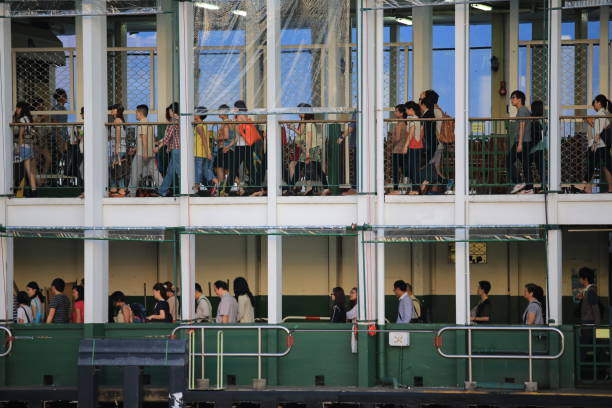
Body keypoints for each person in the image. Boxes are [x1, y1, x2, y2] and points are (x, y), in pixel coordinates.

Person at [289, 103, 330, 195]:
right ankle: (326, 187)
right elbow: (301, 133)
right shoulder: (308, 122)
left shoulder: (309, 123)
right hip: (313, 148)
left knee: (300, 168)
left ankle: (292, 187)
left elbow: (309, 137)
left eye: (300, 111)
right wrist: (292, 128)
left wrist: (307, 152)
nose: (298, 113)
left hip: (311, 149)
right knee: (316, 168)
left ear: (305, 112)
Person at [582, 95, 612, 193]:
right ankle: (584, 186)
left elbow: (598, 132)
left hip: (600, 145)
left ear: (599, 103)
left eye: (594, 102)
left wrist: (594, 145)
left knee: (594, 165)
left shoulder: (601, 114)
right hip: (602, 145)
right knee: (604, 165)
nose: (594, 105)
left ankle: (584, 186)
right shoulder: (603, 113)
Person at [233, 100, 264, 196]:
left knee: (234, 168)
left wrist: (236, 122)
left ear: (238, 108)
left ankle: (228, 190)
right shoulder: (244, 116)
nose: (233, 109)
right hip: (246, 146)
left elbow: (240, 131)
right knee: (250, 168)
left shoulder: (240, 116)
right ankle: (258, 188)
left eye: (235, 108)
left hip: (244, 146)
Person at [129, 104, 161, 196]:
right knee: (154, 172)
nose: (135, 114)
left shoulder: (142, 122)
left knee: (134, 172)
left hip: (142, 154)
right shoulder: (149, 124)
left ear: (139, 113)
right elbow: (148, 139)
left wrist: (145, 152)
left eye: (136, 112)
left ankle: (132, 193)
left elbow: (144, 137)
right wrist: (135, 149)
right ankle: (163, 189)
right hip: (149, 153)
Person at [507, 90, 533, 194]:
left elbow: (522, 126)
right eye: (511, 98)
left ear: (519, 99)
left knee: (508, 160)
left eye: (513, 97)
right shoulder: (523, 110)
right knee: (525, 164)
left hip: (522, 142)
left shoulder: (522, 110)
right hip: (524, 141)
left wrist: (520, 143)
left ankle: (518, 182)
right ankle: (529, 188)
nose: (512, 100)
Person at [13, 101, 38, 196]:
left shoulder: (22, 120)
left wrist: (18, 148)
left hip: (23, 146)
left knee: (22, 170)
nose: (16, 110)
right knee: (30, 171)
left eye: (17, 108)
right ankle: (34, 191)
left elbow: (20, 135)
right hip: (29, 146)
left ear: (21, 108)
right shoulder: (29, 119)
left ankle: (23, 192)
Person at [156, 102, 180, 197]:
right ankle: (162, 191)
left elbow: (168, 136)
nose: (169, 112)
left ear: (173, 111)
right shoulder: (180, 120)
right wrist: (160, 141)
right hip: (178, 149)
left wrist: (159, 147)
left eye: (170, 110)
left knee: (179, 172)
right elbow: (169, 136)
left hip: (176, 149)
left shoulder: (173, 120)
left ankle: (184, 192)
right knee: (170, 172)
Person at [194, 106, 218, 195]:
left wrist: (208, 152)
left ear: (199, 115)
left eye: (195, 112)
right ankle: (217, 183)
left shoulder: (199, 126)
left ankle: (195, 189)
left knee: (198, 172)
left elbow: (204, 139)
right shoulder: (203, 125)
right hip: (203, 152)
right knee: (205, 171)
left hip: (199, 152)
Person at [215, 104, 237, 195]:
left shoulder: (225, 123)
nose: (218, 114)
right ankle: (237, 187)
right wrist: (230, 147)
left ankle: (221, 187)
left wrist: (217, 138)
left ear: (224, 113)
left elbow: (226, 136)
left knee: (218, 167)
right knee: (227, 170)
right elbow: (235, 139)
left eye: (219, 112)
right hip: (229, 149)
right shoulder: (232, 122)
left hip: (223, 148)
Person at [108, 103, 128, 197]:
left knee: (115, 168)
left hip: (117, 148)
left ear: (117, 110)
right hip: (120, 147)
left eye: (113, 109)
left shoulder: (117, 120)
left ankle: (118, 188)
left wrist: (116, 148)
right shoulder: (121, 119)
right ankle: (118, 187)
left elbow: (118, 134)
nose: (111, 110)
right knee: (118, 167)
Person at [404, 101, 423, 193]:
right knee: (415, 167)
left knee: (412, 168)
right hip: (418, 145)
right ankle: (416, 188)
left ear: (411, 109)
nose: (406, 112)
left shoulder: (412, 119)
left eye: (406, 110)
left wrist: (405, 146)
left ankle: (415, 189)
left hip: (413, 145)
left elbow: (411, 133)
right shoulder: (418, 119)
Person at [390, 104, 408, 194]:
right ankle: (405, 187)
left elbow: (396, 138)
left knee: (396, 170)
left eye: (396, 111)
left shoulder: (399, 124)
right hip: (404, 149)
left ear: (401, 113)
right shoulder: (405, 123)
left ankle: (396, 188)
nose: (395, 112)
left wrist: (391, 141)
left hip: (397, 149)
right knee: (404, 169)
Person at [528, 100, 546, 192]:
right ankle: (544, 186)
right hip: (541, 147)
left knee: (526, 165)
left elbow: (536, 137)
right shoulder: (542, 120)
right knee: (541, 168)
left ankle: (529, 186)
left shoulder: (535, 121)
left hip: (534, 149)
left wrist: (529, 147)